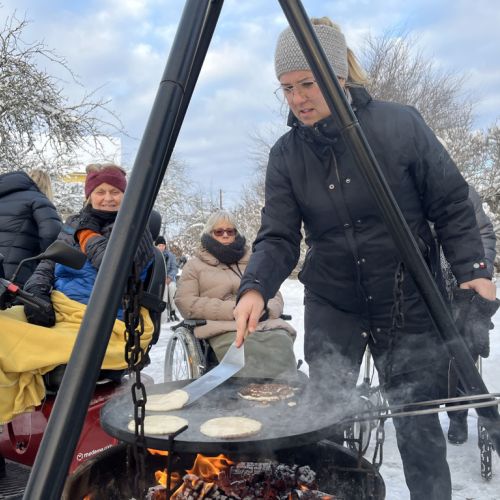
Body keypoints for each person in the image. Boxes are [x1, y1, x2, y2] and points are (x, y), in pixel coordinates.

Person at [233, 17, 497, 500]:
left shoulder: (400, 125)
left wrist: (475, 274)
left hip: (407, 300)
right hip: (334, 301)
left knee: (418, 427)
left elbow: (452, 205)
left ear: (338, 76)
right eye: (287, 88)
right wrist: (255, 285)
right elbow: (277, 236)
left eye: (308, 83)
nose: (297, 99)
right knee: (328, 417)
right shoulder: (286, 155)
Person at [0, 164, 155, 423]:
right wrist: (37, 295)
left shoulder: (137, 228)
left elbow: (116, 267)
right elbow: (47, 265)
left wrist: (86, 234)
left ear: (126, 195)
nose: (107, 198)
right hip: (62, 309)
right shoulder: (72, 225)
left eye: (115, 192)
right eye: (100, 191)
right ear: (89, 195)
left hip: (105, 318)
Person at [175, 210, 298, 379]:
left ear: (236, 234)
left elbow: (274, 293)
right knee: (248, 350)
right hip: (222, 326)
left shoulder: (254, 261)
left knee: (282, 343)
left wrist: (265, 308)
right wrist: (234, 310)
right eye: (219, 232)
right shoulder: (194, 266)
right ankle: (249, 398)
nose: (225, 235)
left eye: (230, 231)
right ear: (209, 234)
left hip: (260, 322)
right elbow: (186, 302)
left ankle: (284, 395)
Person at [444, 185, 497, 444]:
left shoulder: (462, 191)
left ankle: (458, 414)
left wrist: (480, 271)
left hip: (462, 284)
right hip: (418, 284)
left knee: (465, 350)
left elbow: (484, 232)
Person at [0, 169, 61, 285]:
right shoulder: (39, 200)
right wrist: (42, 262)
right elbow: (52, 235)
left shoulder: (2, 199)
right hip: (17, 275)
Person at [155, 235, 180, 321]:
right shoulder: (153, 255)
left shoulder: (170, 256)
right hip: (159, 280)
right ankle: (163, 314)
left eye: (163, 245)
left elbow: (174, 269)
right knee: (164, 289)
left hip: (169, 279)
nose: (161, 247)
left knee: (172, 287)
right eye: (159, 245)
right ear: (156, 246)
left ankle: (173, 311)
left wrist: (169, 277)